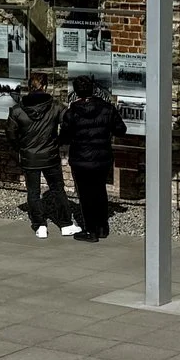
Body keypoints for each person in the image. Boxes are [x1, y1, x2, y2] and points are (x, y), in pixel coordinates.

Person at [6, 75, 70, 238]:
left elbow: (10, 134)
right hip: (50, 154)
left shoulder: (17, 110)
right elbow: (69, 124)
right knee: (57, 189)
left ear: (29, 87)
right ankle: (65, 224)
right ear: (45, 86)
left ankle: (40, 225)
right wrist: (59, 141)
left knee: (33, 192)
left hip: (29, 156)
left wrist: (20, 149)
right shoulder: (56, 106)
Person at [60, 75, 121, 240]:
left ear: (77, 92)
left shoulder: (72, 112)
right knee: (100, 191)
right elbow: (121, 129)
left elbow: (64, 137)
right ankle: (102, 227)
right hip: (102, 157)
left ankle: (91, 230)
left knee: (86, 195)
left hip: (81, 159)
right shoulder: (107, 108)